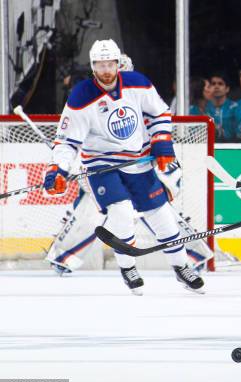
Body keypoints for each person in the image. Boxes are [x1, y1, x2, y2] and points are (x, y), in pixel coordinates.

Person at [43, 39, 204, 295]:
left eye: (110, 64)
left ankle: (182, 266)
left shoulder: (138, 83)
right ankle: (128, 268)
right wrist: (57, 170)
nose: (106, 70)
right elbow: (66, 140)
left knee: (161, 215)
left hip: (138, 160)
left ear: (118, 64)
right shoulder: (81, 96)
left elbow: (159, 113)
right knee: (121, 212)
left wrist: (162, 146)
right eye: (100, 65)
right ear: (93, 66)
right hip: (101, 164)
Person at [202, 73, 238, 142]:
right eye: (213, 84)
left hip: (231, 145)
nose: (216, 86)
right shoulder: (203, 107)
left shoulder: (235, 107)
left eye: (220, 84)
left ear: (227, 89)